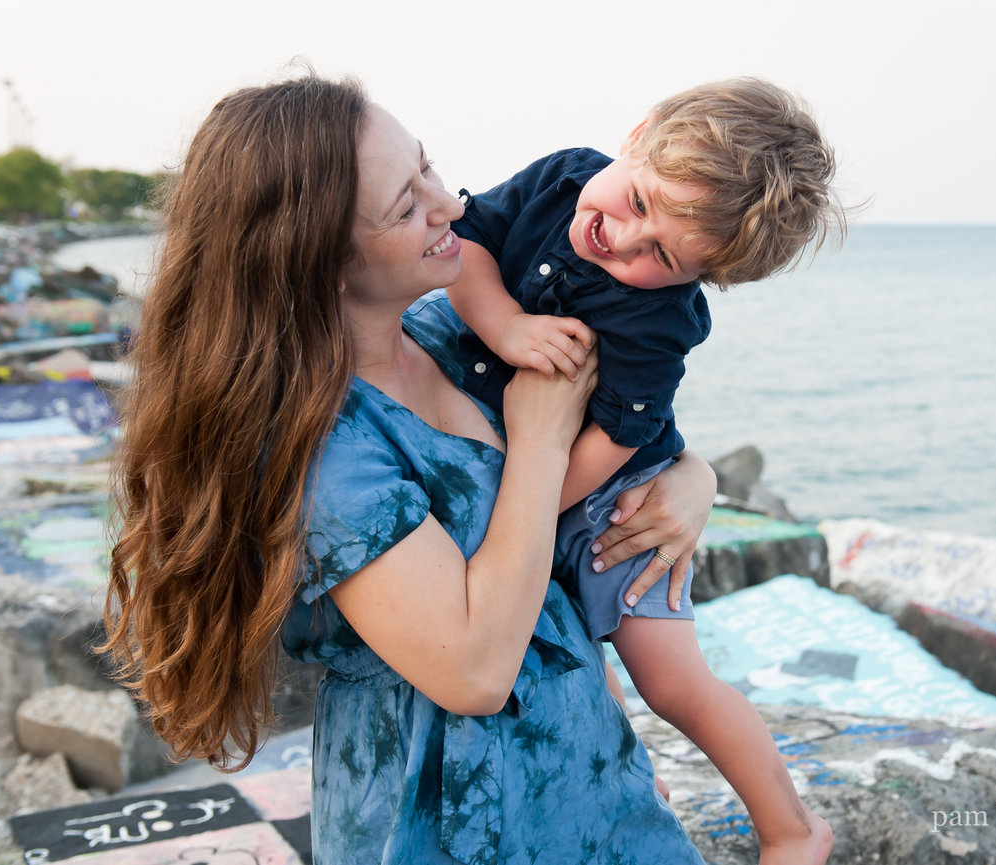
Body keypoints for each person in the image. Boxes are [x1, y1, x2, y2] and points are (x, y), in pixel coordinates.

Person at [102, 74, 720, 864]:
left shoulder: (447, 338)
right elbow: (472, 670)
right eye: (406, 205)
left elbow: (618, 441)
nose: (452, 205)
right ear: (319, 259)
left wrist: (692, 479)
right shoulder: (314, 446)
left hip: (595, 789)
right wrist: (535, 440)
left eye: (427, 166)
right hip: (440, 819)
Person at [446, 77, 842, 865]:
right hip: (527, 462)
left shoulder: (659, 318)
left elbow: (623, 435)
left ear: (703, 278)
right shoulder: (563, 176)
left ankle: (791, 828)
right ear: (638, 134)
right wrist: (506, 324)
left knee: (671, 683)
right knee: (565, 657)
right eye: (638, 200)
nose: (621, 239)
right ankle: (629, 782)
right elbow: (467, 244)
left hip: (612, 502)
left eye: (660, 253)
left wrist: (518, 512)